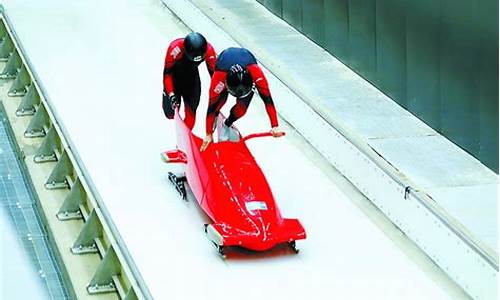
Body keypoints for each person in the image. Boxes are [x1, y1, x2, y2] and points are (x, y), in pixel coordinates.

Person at [200, 47, 283, 151]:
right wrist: (208, 134)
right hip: (223, 66)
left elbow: (268, 100)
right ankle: (216, 117)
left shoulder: (258, 76)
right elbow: (211, 107)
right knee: (219, 102)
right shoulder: (218, 79)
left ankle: (227, 124)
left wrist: (275, 125)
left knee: (241, 109)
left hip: (245, 71)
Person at [162, 32, 217, 130]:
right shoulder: (174, 49)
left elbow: (215, 77)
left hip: (192, 80)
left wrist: (216, 99)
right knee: (170, 113)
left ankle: (184, 139)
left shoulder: (209, 50)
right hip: (174, 80)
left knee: (191, 112)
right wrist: (171, 94)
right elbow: (167, 75)